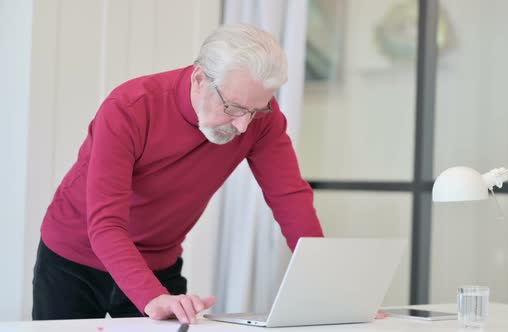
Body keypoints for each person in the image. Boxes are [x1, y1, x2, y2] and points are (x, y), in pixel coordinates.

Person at [32, 23, 324, 324]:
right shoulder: (130, 108)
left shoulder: (260, 118)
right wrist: (150, 297)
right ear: (199, 79)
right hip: (75, 257)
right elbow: (106, 224)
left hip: (159, 262)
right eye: (233, 108)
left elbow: (289, 197)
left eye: (257, 110)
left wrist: (325, 281)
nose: (243, 126)